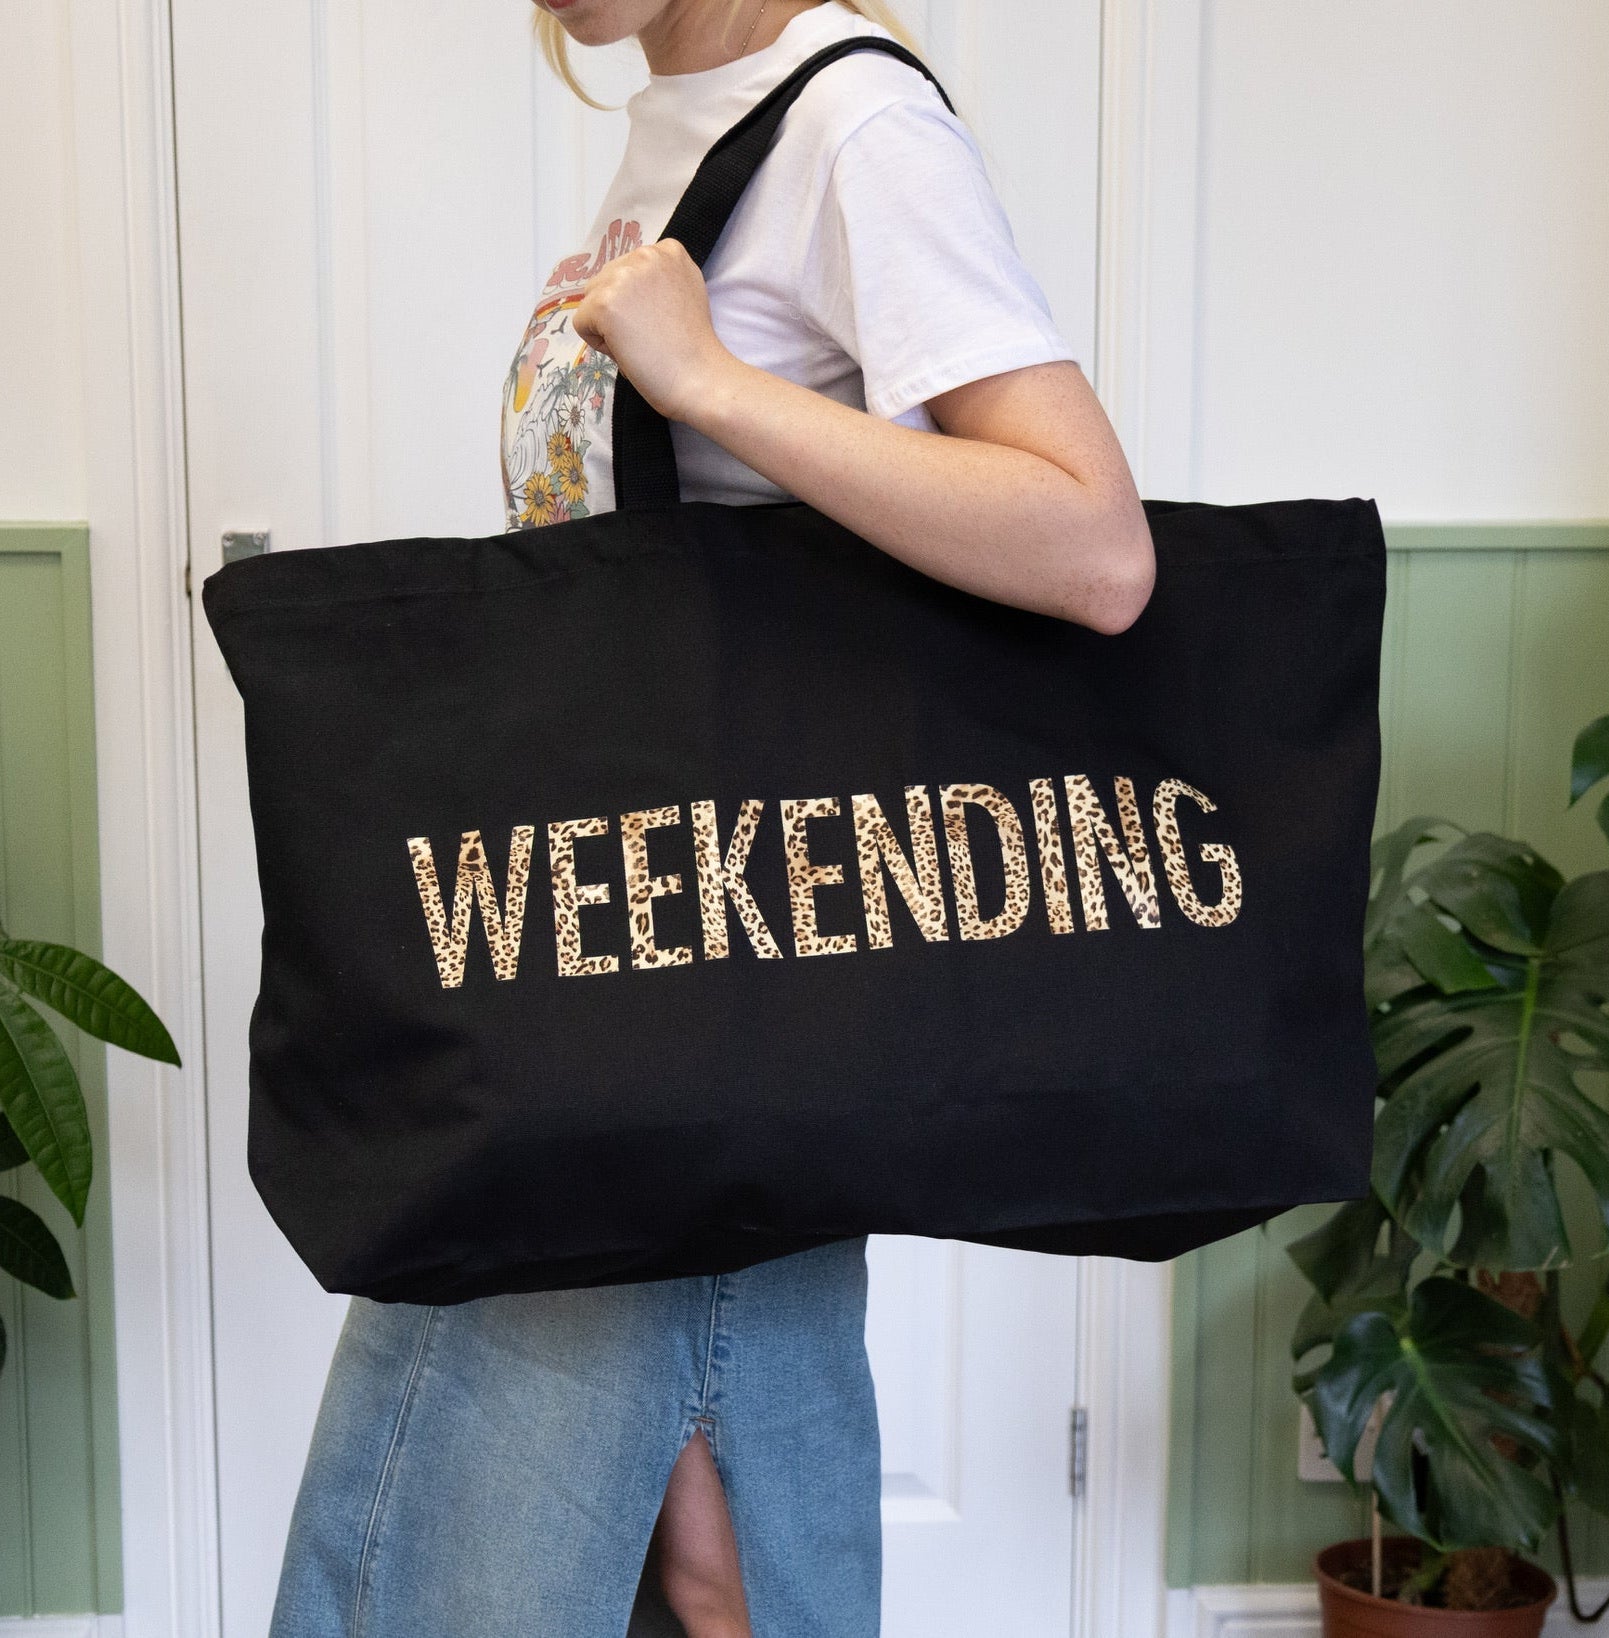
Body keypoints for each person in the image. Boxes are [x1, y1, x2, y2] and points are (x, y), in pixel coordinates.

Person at [270, 2, 1153, 1635]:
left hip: (704, 979)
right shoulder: (684, 106)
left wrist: (712, 384)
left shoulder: (855, 129)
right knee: (704, 1554)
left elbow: (1094, 547)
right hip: (630, 970)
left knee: (574, 1556)